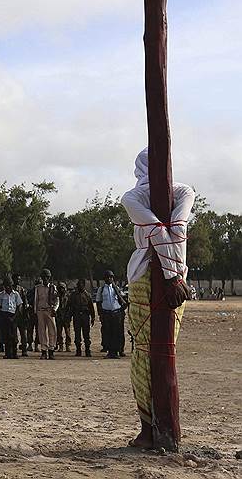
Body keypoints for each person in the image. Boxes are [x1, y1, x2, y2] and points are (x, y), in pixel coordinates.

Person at [122, 147, 195, 448]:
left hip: (159, 279)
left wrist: (171, 278)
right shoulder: (135, 198)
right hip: (166, 277)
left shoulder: (179, 192)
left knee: (154, 352)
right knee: (145, 351)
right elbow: (166, 231)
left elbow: (167, 231)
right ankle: (149, 427)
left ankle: (152, 429)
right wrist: (175, 276)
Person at [95, 271, 127, 359]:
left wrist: (121, 310)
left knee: (117, 333)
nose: (109, 279)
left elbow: (124, 300)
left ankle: (116, 351)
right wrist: (100, 315)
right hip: (106, 314)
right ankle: (110, 352)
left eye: (111, 277)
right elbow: (98, 302)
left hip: (116, 314)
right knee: (108, 333)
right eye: (107, 277)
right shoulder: (101, 289)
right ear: (104, 278)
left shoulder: (116, 288)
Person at [0, 277, 23, 359]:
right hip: (4, 316)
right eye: (6, 286)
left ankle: (14, 353)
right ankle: (7, 353)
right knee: (6, 335)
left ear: (12, 286)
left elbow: (19, 306)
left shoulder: (16, 294)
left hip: (13, 316)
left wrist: (14, 317)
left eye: (9, 285)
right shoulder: (0, 295)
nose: (7, 287)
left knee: (14, 336)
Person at [34, 269, 58, 360]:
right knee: (41, 331)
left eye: (47, 277)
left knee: (52, 331)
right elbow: (36, 300)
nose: (45, 279)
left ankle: (51, 350)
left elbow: (57, 300)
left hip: (50, 311)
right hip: (40, 311)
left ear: (49, 278)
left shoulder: (53, 287)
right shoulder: (38, 288)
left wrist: (55, 309)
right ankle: (44, 351)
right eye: (44, 277)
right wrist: (35, 312)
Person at [67, 279, 95, 357]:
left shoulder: (87, 295)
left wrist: (93, 317)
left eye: (81, 285)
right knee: (77, 334)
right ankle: (78, 350)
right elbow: (70, 307)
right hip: (76, 315)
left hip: (85, 316)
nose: (79, 286)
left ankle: (87, 349)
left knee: (86, 334)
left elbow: (91, 307)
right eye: (78, 285)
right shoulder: (73, 295)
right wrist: (69, 317)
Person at [12, 274, 30, 357]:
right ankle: (14, 349)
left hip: (21, 315)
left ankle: (24, 349)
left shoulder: (22, 290)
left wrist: (26, 314)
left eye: (19, 279)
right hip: (12, 314)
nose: (18, 281)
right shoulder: (10, 289)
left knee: (23, 333)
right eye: (16, 279)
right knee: (13, 333)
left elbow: (25, 302)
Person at [55, 283, 72, 352]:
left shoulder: (68, 297)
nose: (61, 289)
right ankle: (60, 346)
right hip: (58, 316)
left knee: (67, 332)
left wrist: (69, 315)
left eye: (62, 288)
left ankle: (68, 345)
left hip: (66, 317)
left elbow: (70, 307)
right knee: (59, 332)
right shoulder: (56, 297)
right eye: (60, 288)